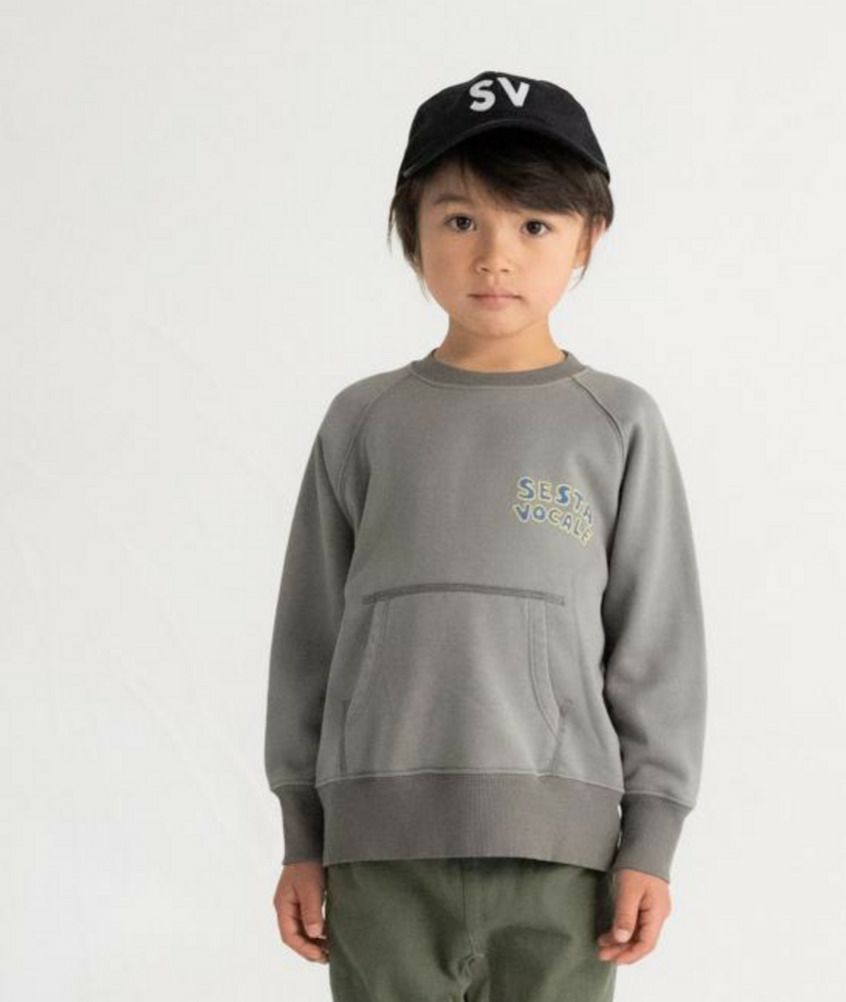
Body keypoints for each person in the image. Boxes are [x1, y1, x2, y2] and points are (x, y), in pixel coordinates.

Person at [264, 69, 708, 1001]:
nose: (494, 257)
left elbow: (656, 645)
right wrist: (303, 836)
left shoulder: (616, 422)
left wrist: (651, 841)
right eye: (461, 220)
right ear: (411, 228)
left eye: (534, 225)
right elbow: (308, 640)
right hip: (379, 855)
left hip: (564, 866)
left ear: (590, 236)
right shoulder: (363, 421)